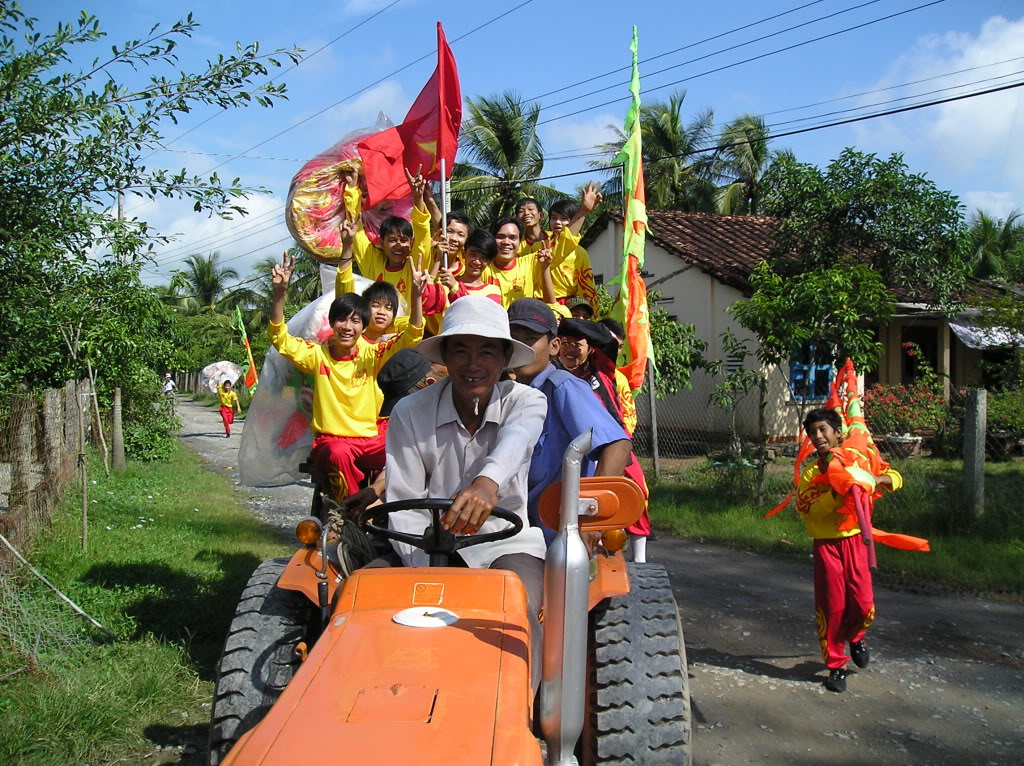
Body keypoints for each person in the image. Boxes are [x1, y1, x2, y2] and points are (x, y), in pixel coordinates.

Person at [380, 296, 548, 691]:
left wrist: (487, 483)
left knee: (514, 607)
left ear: (506, 356)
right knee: (363, 602)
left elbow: (518, 439)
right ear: (445, 356)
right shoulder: (409, 410)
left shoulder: (526, 401)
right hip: (425, 546)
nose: (474, 364)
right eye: (461, 351)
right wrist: (429, 568)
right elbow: (403, 502)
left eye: (487, 351)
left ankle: (520, 713)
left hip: (507, 542)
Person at [269, 250, 426, 503]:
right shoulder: (316, 355)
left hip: (370, 438)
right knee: (337, 452)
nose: (348, 326)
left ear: (364, 328)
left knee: (414, 440)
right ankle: (356, 510)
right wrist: (279, 294)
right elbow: (280, 337)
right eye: (341, 320)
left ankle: (386, 499)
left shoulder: (372, 355)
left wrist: (416, 296)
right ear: (332, 323)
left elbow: (412, 336)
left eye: (355, 321)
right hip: (333, 442)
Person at [506, 299, 632, 546]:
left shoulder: (563, 387)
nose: (521, 348)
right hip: (511, 532)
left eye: (530, 338)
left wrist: (588, 521)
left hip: (554, 540)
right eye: (513, 339)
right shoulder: (505, 395)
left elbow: (617, 445)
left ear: (554, 346)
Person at [798, 408, 903, 694]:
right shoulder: (811, 474)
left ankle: (856, 636)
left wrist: (871, 481)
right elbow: (810, 513)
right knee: (832, 607)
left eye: (823, 430)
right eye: (812, 432)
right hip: (827, 547)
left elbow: (893, 477)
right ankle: (836, 666)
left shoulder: (858, 459)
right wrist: (836, 492)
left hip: (856, 542)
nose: (818, 436)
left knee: (863, 603)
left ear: (836, 432)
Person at [557, 318, 652, 561]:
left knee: (636, 492)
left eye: (577, 343)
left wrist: (565, 323)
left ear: (590, 349)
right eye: (564, 343)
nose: (570, 349)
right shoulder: (554, 376)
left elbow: (608, 340)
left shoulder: (601, 368)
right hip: (573, 450)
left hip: (611, 444)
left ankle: (639, 559)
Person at [437, 229, 502, 305]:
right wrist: (437, 259)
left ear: (489, 262)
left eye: (483, 258)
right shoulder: (445, 284)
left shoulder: (492, 291)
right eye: (473, 255)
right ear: (464, 254)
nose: (477, 262)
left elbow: (474, 313)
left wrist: (455, 289)